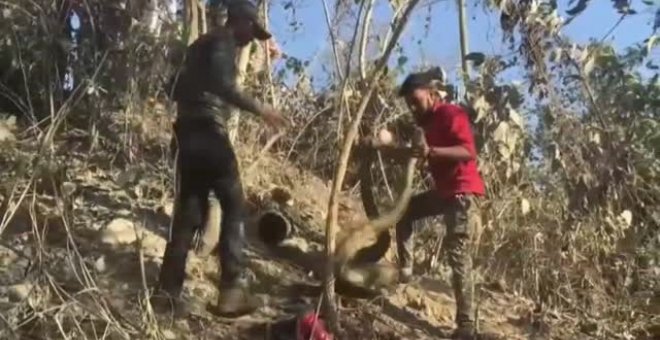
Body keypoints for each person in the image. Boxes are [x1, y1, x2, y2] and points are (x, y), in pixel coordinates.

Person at [152, 0, 288, 318]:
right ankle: (232, 288)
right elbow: (222, 85)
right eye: (250, 29)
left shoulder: (199, 46)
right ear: (238, 20)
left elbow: (172, 86)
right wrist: (261, 109)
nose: (250, 37)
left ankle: (165, 295)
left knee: (187, 216)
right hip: (209, 131)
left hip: (185, 134)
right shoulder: (222, 42)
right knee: (234, 202)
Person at [373, 68, 485, 339]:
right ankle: (406, 272)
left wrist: (431, 152)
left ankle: (467, 325)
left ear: (433, 95)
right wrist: (378, 147)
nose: (412, 107)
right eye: (409, 103)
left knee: (457, 253)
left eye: (416, 100)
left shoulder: (451, 114)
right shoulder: (424, 125)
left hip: (462, 194)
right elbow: (412, 152)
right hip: (444, 193)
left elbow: (468, 151)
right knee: (406, 210)